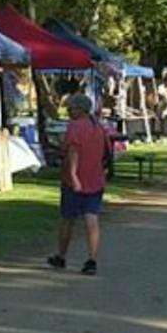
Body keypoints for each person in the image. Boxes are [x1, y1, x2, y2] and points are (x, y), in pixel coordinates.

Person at [47, 93, 107, 275]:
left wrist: (72, 175)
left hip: (76, 179)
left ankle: (61, 255)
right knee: (92, 218)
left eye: (71, 108)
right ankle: (92, 259)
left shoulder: (75, 127)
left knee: (68, 219)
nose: (68, 111)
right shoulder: (97, 125)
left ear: (79, 109)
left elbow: (73, 152)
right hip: (95, 177)